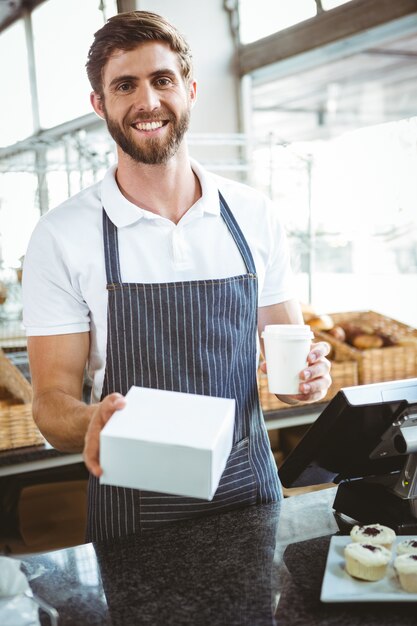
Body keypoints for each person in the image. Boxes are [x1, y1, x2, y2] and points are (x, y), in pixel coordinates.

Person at [22, 10, 331, 541]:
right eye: (125, 86)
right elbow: (50, 403)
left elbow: (288, 370)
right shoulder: (61, 235)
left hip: (250, 496)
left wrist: (308, 383)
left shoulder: (253, 215)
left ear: (189, 89)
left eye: (162, 80)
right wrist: (92, 421)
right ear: (100, 104)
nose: (147, 102)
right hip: (132, 511)